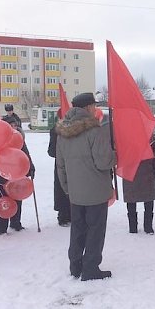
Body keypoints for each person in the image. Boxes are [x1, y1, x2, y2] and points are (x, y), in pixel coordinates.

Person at [56, 92, 116, 281]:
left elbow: (61, 165)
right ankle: (91, 268)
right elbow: (104, 162)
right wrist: (116, 155)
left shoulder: (62, 132)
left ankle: (75, 266)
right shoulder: (94, 130)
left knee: (78, 230)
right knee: (95, 231)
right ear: (89, 108)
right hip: (96, 191)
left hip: (75, 193)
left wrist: (68, 189)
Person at [0, 114, 35, 234]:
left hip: (17, 174)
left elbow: (25, 155)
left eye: (15, 125)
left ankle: (16, 222)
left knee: (18, 198)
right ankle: (1, 228)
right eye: (11, 125)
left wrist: (30, 168)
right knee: (2, 201)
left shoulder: (18, 139)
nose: (14, 128)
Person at [122, 137, 155, 234]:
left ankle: (133, 227)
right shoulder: (147, 134)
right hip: (147, 170)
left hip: (129, 171)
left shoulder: (125, 136)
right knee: (148, 199)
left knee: (131, 199)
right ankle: (148, 227)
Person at [48, 110, 71, 227]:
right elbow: (51, 151)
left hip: (73, 163)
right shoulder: (55, 131)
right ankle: (63, 215)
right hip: (61, 164)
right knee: (62, 188)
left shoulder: (74, 130)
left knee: (72, 188)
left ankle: (71, 214)